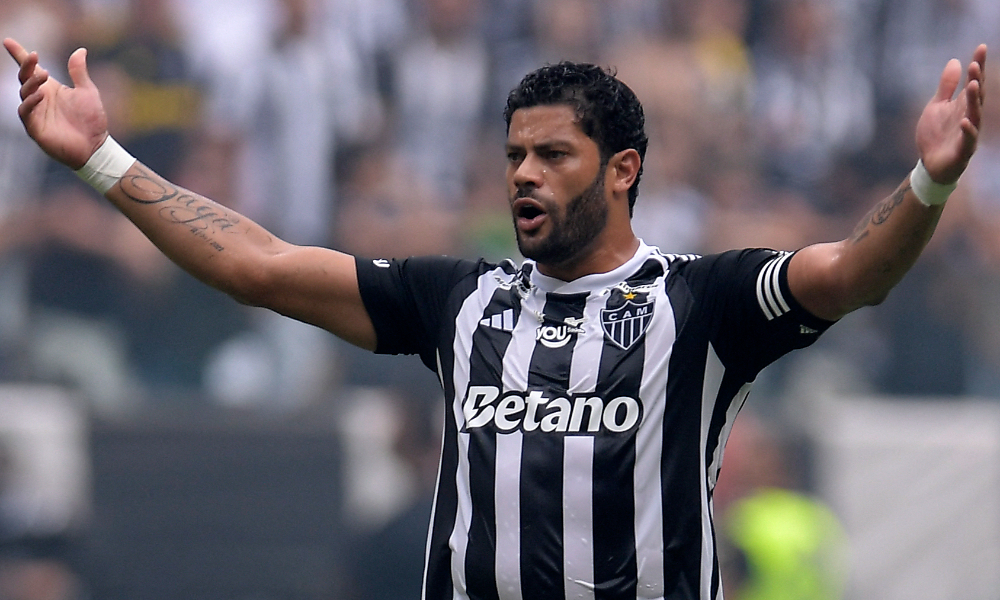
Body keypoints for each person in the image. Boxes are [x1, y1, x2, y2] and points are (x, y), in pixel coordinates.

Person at [3, 36, 986, 599]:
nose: (523, 173)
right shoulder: (460, 298)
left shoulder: (705, 300)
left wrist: (928, 182)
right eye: (514, 154)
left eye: (552, 155)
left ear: (622, 169)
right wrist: (102, 161)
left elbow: (856, 273)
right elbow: (260, 266)